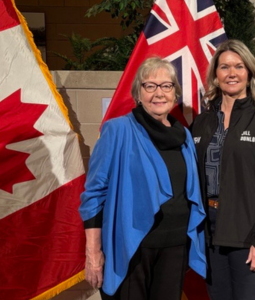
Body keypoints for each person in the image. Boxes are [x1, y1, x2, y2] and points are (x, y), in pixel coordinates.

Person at [79, 57, 207, 300]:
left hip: (175, 246)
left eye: (166, 86)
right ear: (138, 93)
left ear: (175, 93)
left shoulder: (184, 136)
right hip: (132, 248)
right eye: (150, 86)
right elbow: (94, 195)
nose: (158, 93)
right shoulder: (117, 130)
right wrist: (93, 253)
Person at [190, 39, 255, 300]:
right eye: (224, 67)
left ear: (249, 73)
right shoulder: (200, 123)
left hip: (247, 233)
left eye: (239, 66)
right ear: (215, 75)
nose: (231, 73)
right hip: (208, 231)